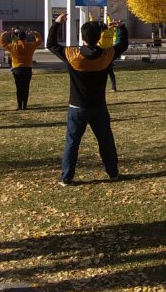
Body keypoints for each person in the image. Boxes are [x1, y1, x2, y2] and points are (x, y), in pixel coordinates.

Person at [46, 13, 129, 186]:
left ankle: (67, 177)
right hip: (99, 107)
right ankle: (113, 173)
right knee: (106, 141)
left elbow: (51, 44)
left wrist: (57, 23)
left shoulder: (72, 54)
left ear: (82, 37)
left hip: (77, 107)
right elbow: (123, 44)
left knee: (72, 143)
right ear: (99, 37)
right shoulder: (106, 55)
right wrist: (121, 28)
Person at [0, 28, 42, 109]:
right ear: (25, 37)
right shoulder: (30, 46)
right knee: (26, 87)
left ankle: (19, 106)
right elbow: (39, 42)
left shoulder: (14, 46)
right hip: (27, 68)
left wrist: (3, 35)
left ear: (18, 37)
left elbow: (3, 43)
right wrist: (36, 33)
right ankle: (25, 105)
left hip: (17, 69)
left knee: (19, 87)